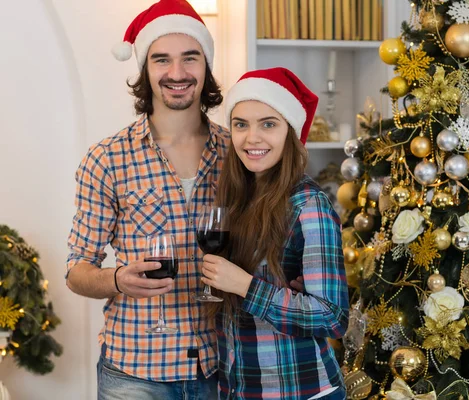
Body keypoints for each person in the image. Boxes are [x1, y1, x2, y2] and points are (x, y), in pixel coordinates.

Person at [65, 0, 225, 398]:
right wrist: (117, 279)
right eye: (161, 60)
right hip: (135, 373)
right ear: (144, 70)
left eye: (190, 58)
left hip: (224, 363)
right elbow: (77, 271)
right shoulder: (107, 158)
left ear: (205, 67)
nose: (177, 73)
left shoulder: (237, 151)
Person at [200, 67, 350, 399]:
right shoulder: (237, 198)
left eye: (268, 124)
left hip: (299, 390)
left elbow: (333, 317)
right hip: (239, 390)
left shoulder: (308, 205)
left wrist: (244, 285)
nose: (252, 138)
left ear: (290, 133)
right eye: (241, 124)